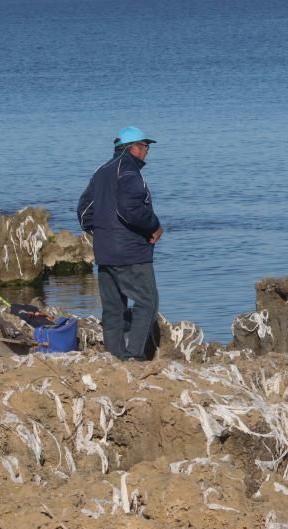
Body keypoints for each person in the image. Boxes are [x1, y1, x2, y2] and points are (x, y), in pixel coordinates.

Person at [77, 126, 164, 360]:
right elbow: (131, 210)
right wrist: (154, 225)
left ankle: (114, 356)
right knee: (147, 301)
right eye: (145, 146)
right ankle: (135, 356)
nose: (147, 152)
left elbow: (84, 212)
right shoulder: (129, 172)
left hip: (105, 252)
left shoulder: (102, 171)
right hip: (131, 252)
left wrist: (102, 233)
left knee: (113, 308)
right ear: (133, 148)